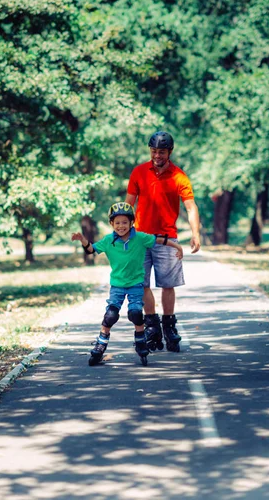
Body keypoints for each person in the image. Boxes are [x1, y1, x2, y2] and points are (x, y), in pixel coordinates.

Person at [71, 202, 183, 366]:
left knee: (136, 313)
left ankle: (140, 341)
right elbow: (91, 249)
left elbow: (158, 240)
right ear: (112, 224)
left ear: (131, 223)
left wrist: (176, 246)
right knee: (110, 315)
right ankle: (101, 344)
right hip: (117, 285)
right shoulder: (109, 240)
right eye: (117, 223)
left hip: (136, 285)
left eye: (124, 222)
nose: (121, 226)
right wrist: (82, 240)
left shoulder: (140, 238)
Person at [125, 131, 200, 352]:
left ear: (170, 152)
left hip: (167, 239)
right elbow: (128, 204)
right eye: (154, 151)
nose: (157, 155)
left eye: (162, 151)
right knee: (142, 283)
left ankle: (169, 327)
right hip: (140, 239)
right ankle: (152, 326)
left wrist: (195, 233)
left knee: (168, 284)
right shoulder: (139, 172)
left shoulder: (179, 176)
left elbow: (190, 207)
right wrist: (123, 233)